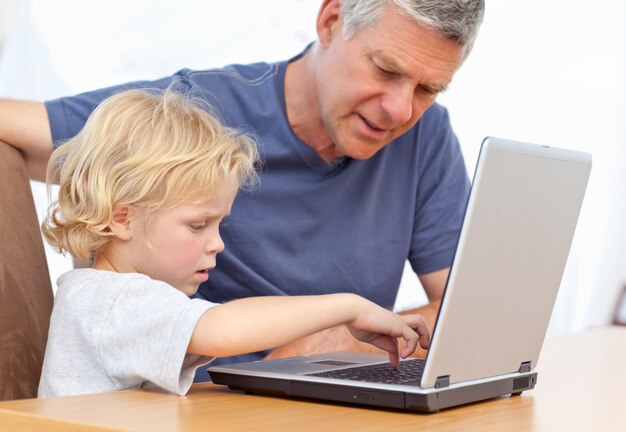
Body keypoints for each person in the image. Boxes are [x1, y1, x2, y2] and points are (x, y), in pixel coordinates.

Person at [0, 0, 484, 375]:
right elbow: (216, 329)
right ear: (331, 20)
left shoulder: (426, 135)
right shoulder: (191, 119)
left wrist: (338, 340)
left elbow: (468, 307)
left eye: (427, 89)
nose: (401, 110)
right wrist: (342, 315)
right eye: (386, 70)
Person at [37, 88, 430, 398]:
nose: (217, 244)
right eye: (198, 225)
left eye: (219, 225)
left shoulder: (106, 296)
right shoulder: (114, 303)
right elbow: (223, 329)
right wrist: (349, 307)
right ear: (123, 219)